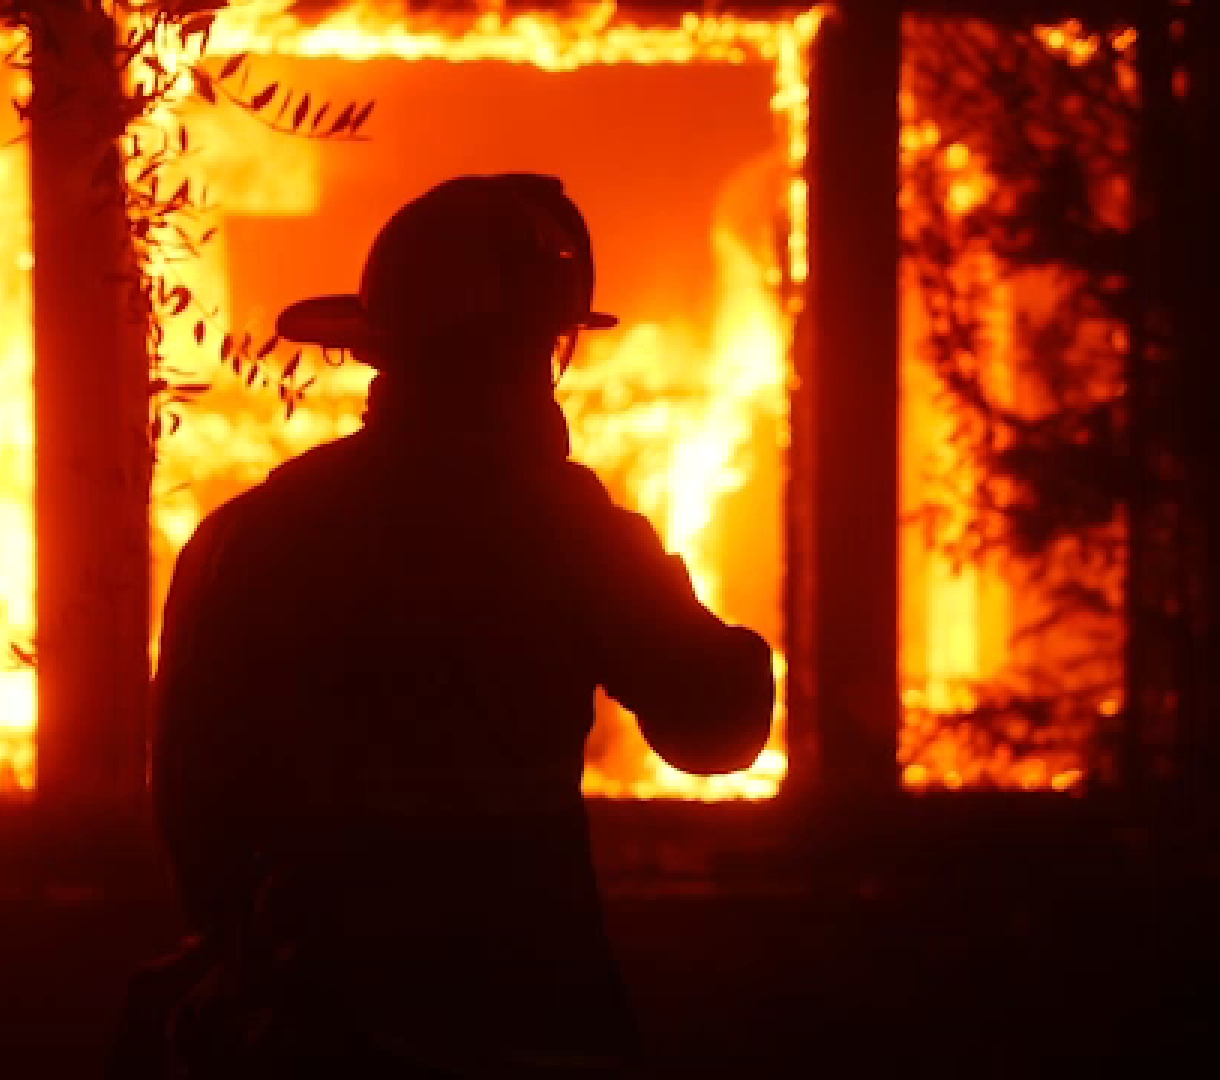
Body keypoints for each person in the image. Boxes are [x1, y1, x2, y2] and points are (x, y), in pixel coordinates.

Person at [128, 174, 776, 1078]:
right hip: (528, 1018)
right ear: (534, 354)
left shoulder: (248, 535)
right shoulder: (562, 527)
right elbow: (718, 725)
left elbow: (190, 805)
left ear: (380, 350)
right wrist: (659, 579)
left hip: (303, 1020)